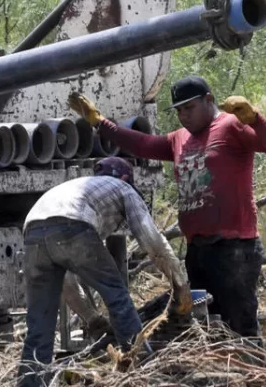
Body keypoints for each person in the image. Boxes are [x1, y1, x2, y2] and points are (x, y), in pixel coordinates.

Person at [67, 75, 266, 338]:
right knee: (204, 326)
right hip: (197, 249)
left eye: (189, 108)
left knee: (239, 325)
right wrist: (100, 123)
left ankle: (252, 373)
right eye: (179, 110)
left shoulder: (231, 125)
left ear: (209, 100)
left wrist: (254, 118)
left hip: (233, 248)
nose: (183, 116)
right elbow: (142, 144)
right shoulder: (178, 139)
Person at [17, 157, 192, 387]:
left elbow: (66, 283)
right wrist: (180, 285)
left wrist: (92, 319)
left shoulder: (79, 189)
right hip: (72, 224)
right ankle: (143, 372)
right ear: (124, 177)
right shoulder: (124, 188)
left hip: (32, 231)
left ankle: (31, 383)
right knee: (116, 295)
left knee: (39, 324)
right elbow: (152, 241)